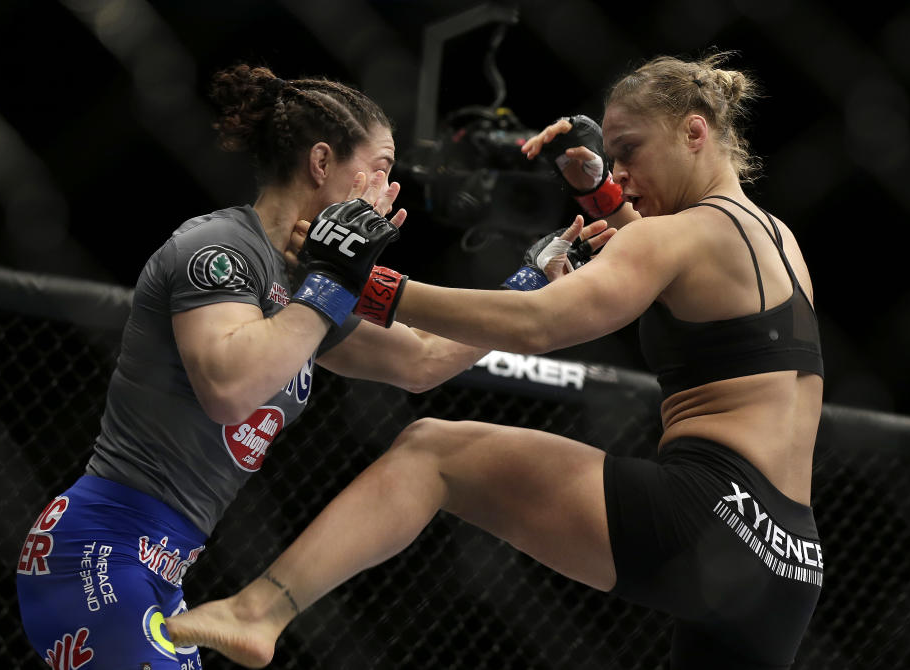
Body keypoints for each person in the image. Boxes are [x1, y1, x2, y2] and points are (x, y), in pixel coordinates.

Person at [166, 51, 825, 670]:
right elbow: (674, 264)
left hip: (707, 514)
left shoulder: (675, 236)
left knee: (432, 451)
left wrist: (365, 280)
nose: (618, 171)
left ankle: (260, 610)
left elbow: (539, 324)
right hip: (789, 563)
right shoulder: (778, 240)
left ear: (694, 132)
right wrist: (597, 192)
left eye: (629, 152)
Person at [14, 64, 613, 669]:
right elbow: (229, 389)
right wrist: (332, 279)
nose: (390, 187)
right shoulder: (219, 249)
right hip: (97, 552)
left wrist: (534, 279)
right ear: (322, 163)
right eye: (379, 167)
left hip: (160, 566)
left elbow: (422, 360)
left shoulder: (304, 287)